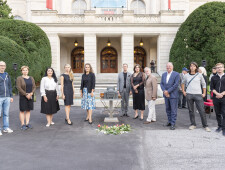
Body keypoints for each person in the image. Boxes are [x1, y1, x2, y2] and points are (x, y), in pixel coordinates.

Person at [181, 62, 211, 132]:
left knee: (201, 110)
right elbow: (182, 83)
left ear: (196, 67)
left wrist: (204, 93)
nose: (192, 67)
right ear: (189, 67)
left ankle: (205, 125)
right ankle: (193, 124)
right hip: (189, 95)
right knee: (191, 110)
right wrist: (183, 91)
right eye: (191, 66)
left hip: (198, 95)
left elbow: (204, 84)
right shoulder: (186, 75)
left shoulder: (200, 75)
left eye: (194, 66)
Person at [160, 62, 180, 130]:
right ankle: (169, 121)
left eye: (169, 66)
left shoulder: (176, 74)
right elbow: (161, 84)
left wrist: (168, 91)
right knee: (168, 109)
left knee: (173, 110)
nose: (168, 67)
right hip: (166, 95)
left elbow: (176, 85)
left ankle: (173, 123)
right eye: (167, 66)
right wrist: (164, 91)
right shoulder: (163, 74)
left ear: (172, 67)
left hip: (173, 95)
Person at [16, 66, 36, 130]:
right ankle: (22, 124)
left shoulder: (31, 78)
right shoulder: (19, 78)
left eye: (26, 70)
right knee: (22, 110)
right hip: (23, 96)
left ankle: (27, 123)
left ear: (28, 71)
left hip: (30, 96)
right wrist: (26, 94)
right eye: (23, 70)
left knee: (28, 110)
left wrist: (31, 93)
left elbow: (34, 87)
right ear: (21, 71)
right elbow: (19, 87)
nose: (25, 71)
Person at [210, 63, 225, 136]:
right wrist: (217, 94)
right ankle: (220, 126)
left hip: (224, 98)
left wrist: (222, 94)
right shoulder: (213, 77)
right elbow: (212, 88)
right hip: (216, 98)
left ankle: (224, 128)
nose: (219, 68)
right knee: (218, 113)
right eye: (217, 67)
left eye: (220, 67)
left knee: (224, 113)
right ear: (216, 69)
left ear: (223, 68)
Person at [0, 61, 13, 135]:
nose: (2, 67)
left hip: (7, 97)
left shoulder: (7, 75)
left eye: (3, 65)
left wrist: (11, 96)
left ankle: (6, 128)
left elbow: (9, 86)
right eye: (1, 65)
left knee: (6, 114)